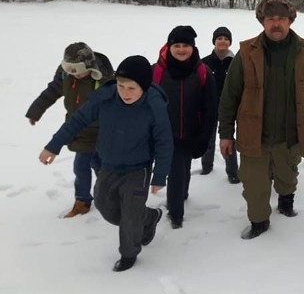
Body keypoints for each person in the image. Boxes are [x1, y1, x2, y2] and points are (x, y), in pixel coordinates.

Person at [38, 55, 173, 272]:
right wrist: (53, 146)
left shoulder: (154, 106)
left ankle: (129, 254)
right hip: (108, 165)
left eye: (132, 88)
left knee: (129, 217)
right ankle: (149, 217)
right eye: (121, 86)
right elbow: (77, 120)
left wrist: (159, 176)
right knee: (104, 205)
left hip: (138, 168)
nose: (125, 92)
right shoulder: (105, 98)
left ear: (144, 88)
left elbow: (165, 142)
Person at [217, 0, 304, 240]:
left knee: (287, 176)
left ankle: (286, 199)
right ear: (262, 21)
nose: (276, 24)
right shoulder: (246, 52)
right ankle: (259, 222)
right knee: (254, 185)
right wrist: (226, 134)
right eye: (270, 19)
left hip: (291, 134)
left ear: (290, 20)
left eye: (281, 18)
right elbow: (229, 96)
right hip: (254, 136)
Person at [26, 42, 113, 218]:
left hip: (101, 130)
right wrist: (36, 111)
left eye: (77, 70)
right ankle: (82, 201)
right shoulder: (66, 74)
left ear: (89, 66)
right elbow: (51, 92)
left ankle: (108, 196)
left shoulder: (104, 80)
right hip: (77, 128)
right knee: (81, 166)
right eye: (69, 69)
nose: (74, 74)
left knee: (100, 165)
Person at [153, 25, 218, 229]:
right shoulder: (156, 72)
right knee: (175, 171)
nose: (182, 50)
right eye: (177, 45)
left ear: (193, 47)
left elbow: (210, 108)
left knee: (184, 167)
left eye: (186, 45)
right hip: (165, 133)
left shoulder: (202, 72)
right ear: (169, 47)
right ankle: (176, 214)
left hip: (191, 132)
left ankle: (182, 194)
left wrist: (204, 137)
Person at [201, 26, 239, 183]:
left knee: (228, 139)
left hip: (230, 108)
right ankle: (206, 166)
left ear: (229, 42)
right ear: (214, 42)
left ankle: (232, 172)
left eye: (225, 39)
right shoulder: (204, 63)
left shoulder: (237, 62)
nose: (222, 42)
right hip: (210, 107)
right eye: (219, 39)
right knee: (208, 139)